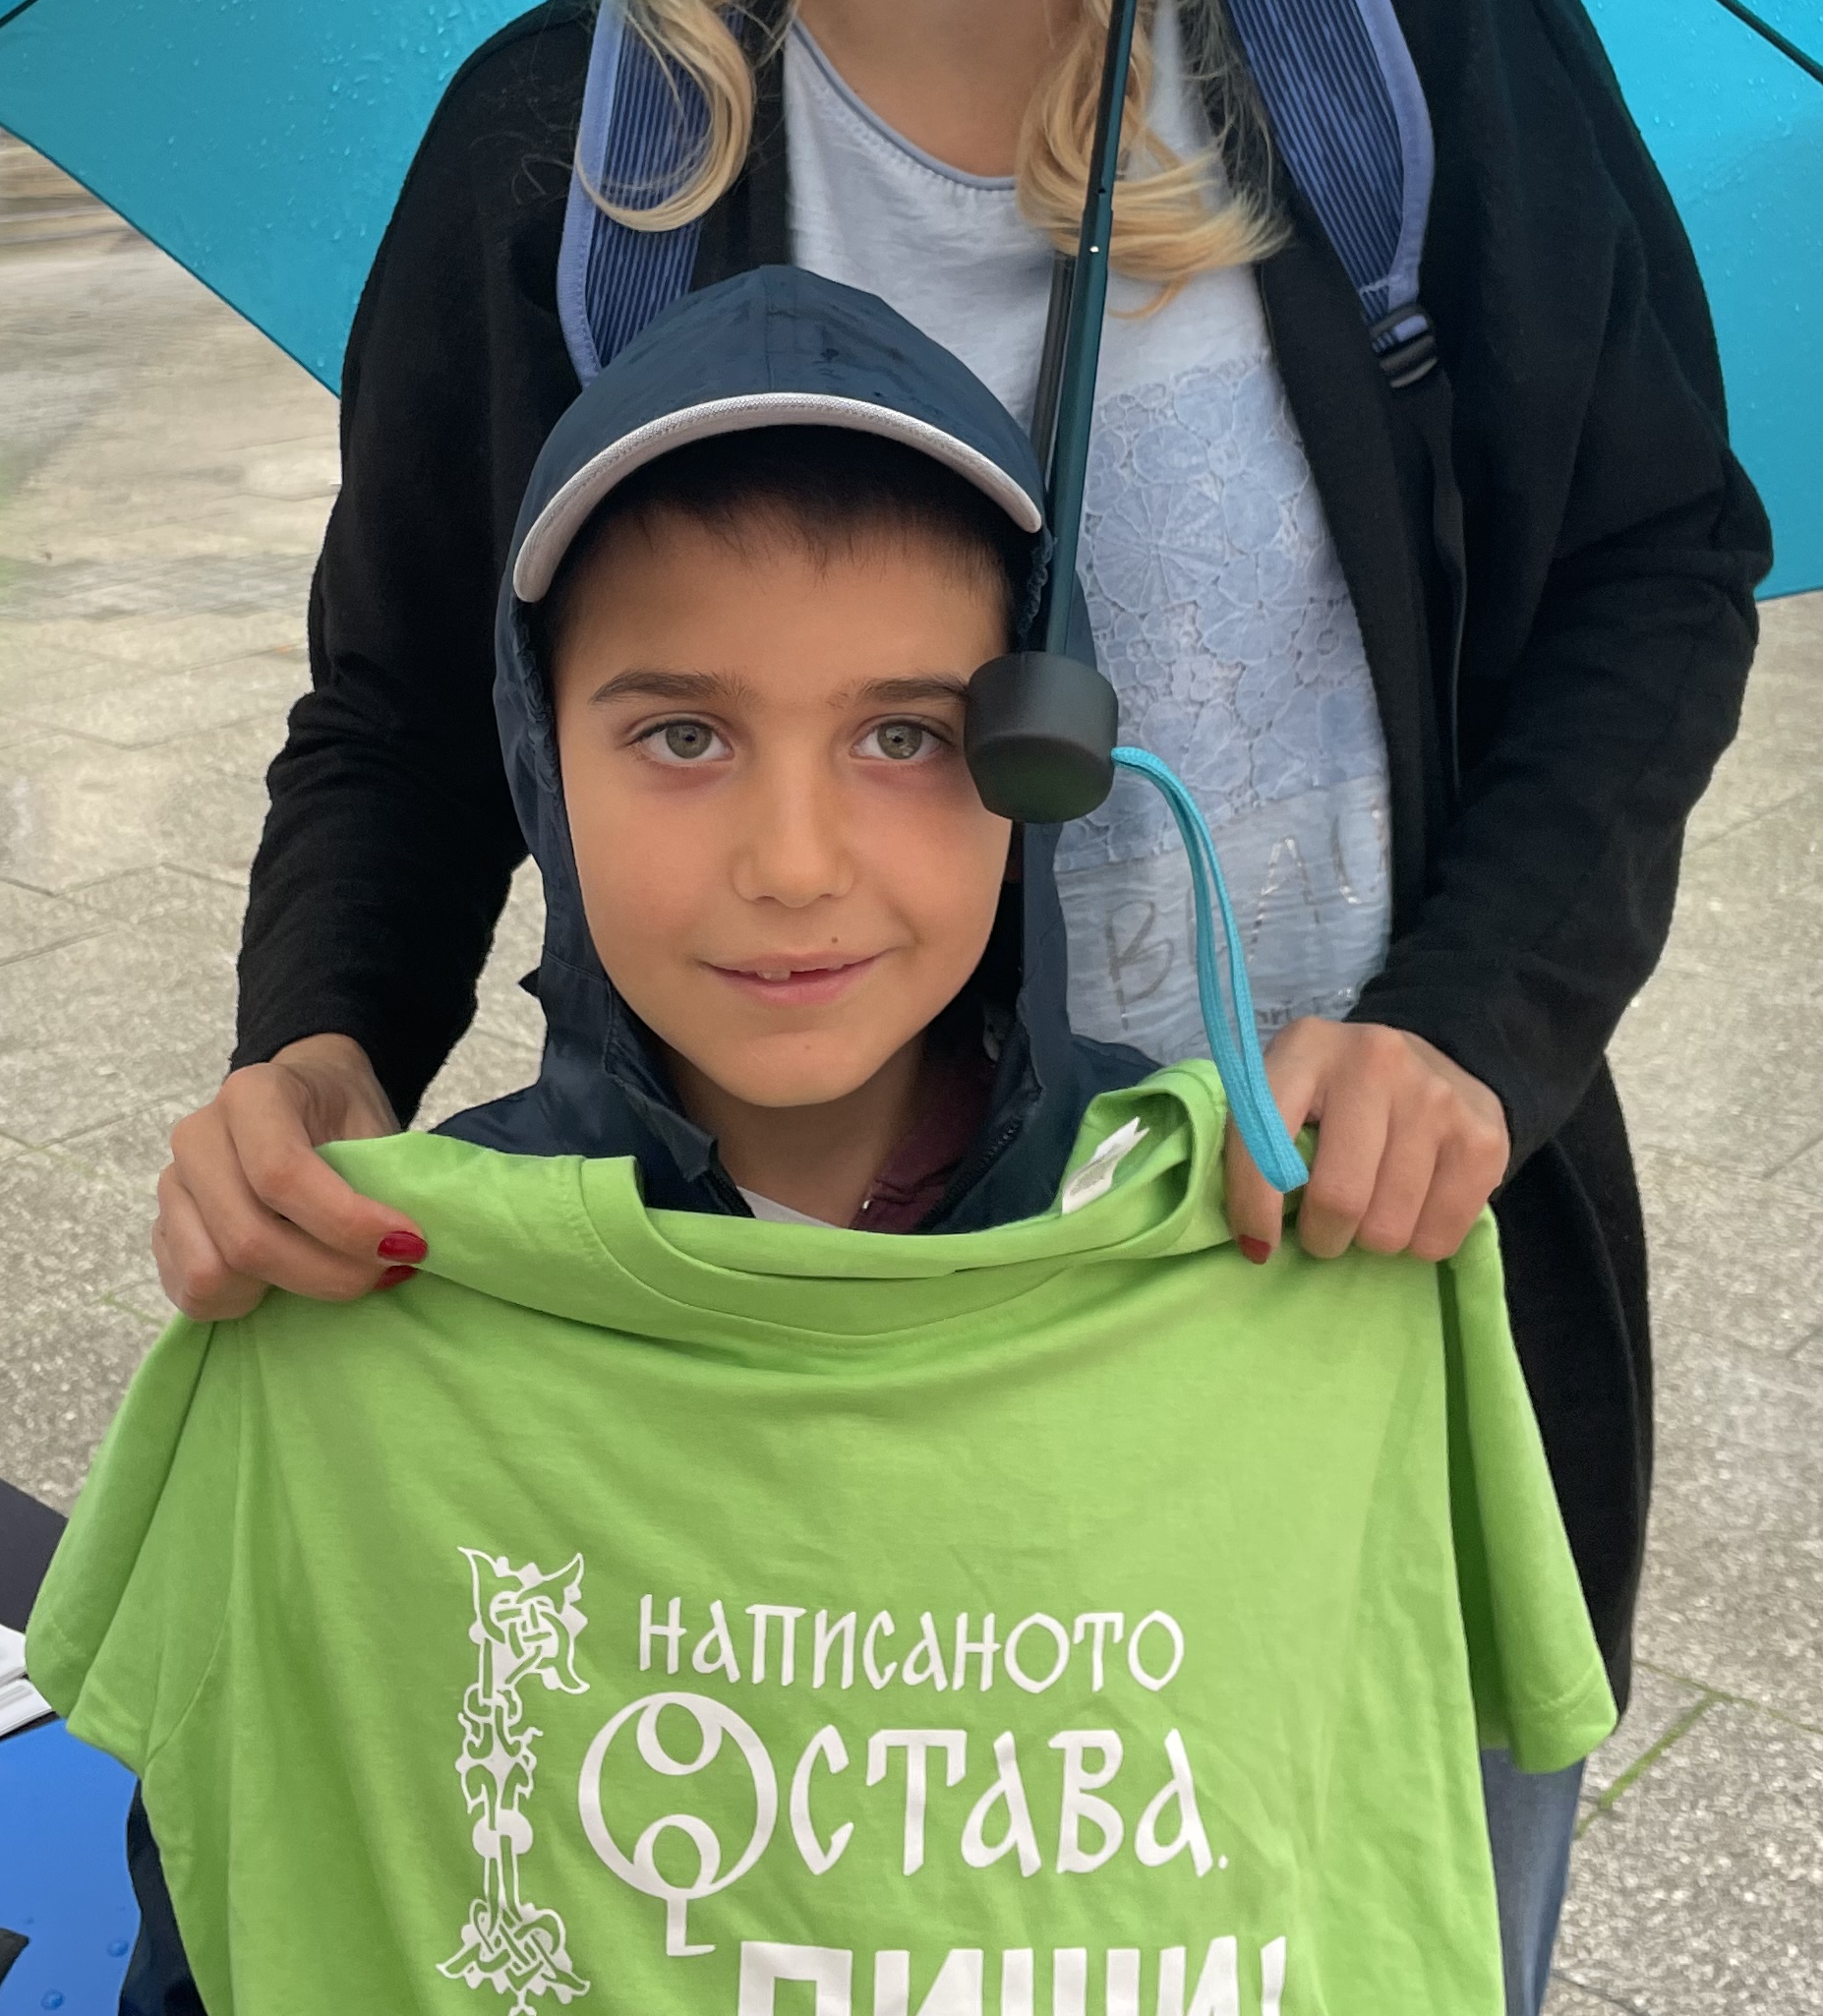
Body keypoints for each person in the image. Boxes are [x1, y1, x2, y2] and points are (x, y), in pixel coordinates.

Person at [155, 0, 1768, 2009]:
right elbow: (401, 719)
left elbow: (1652, 560)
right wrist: (316, 1050)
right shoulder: (565, 163)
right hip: (776, 1400)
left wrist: (1475, 1026)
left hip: (1339, 1329)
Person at [89, 267, 1610, 2013]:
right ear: (535, 756)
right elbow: (233, 1898)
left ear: (1040, 757)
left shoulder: (1285, 1262)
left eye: (905, 735)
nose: (794, 860)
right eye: (681, 733)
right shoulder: (355, 1302)